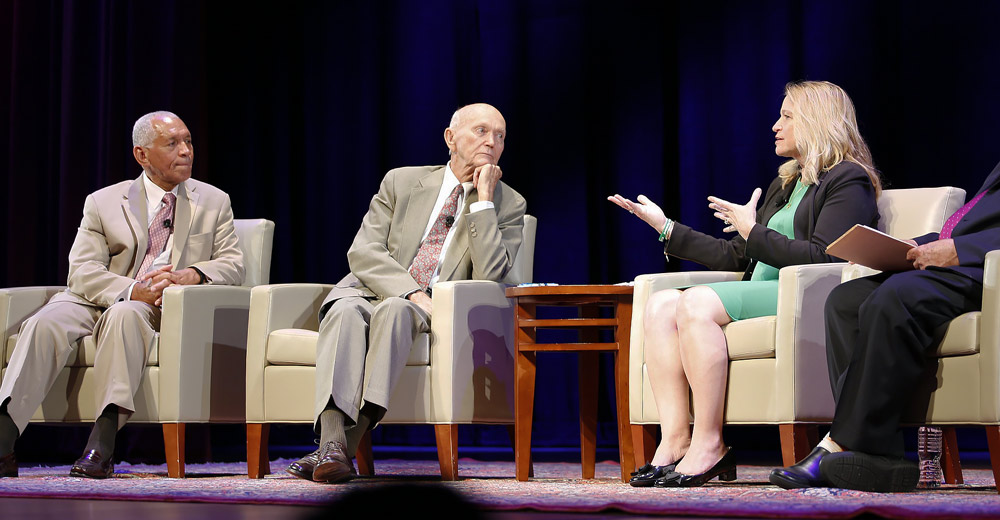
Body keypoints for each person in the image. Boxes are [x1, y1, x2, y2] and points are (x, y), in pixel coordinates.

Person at [609, 81, 881, 488]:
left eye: (787, 116)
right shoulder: (785, 184)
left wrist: (753, 231)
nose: (775, 125)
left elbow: (826, 257)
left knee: (695, 304)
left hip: (803, 298)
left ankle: (710, 443)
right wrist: (665, 227)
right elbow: (739, 255)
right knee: (661, 305)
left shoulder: (846, 179)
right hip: (765, 290)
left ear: (816, 121)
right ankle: (675, 440)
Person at [286, 103, 526, 484]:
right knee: (344, 311)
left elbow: (491, 274)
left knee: (395, 313)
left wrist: (482, 202)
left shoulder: (508, 204)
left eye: (500, 136)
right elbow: (363, 250)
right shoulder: (401, 181)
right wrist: (411, 291)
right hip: (371, 289)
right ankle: (334, 443)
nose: (492, 142)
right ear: (450, 138)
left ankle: (337, 448)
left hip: (434, 305)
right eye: (481, 131)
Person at [0, 111, 245, 479]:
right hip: (99, 296)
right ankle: (3, 443)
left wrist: (192, 274)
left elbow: (234, 264)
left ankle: (102, 444)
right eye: (172, 143)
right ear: (142, 155)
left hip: (163, 307)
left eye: (189, 141)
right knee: (43, 323)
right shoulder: (103, 201)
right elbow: (81, 271)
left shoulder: (213, 201)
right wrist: (132, 289)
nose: (186, 152)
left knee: (125, 316)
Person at [770, 161, 1000, 492]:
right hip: (964, 264)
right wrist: (913, 244)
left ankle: (843, 444)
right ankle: (881, 456)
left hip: (986, 273)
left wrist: (961, 250)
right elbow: (968, 229)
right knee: (844, 301)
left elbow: (968, 242)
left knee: (893, 296)